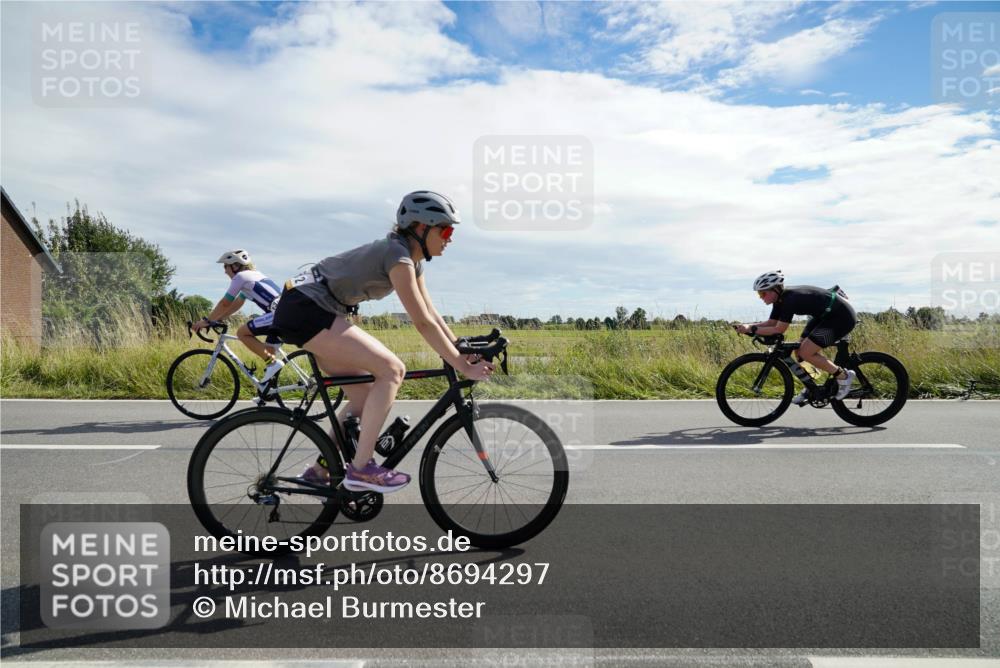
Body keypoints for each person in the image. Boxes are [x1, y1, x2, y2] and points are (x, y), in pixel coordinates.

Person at [272, 191, 493, 493]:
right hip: (307, 309)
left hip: (312, 309)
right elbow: (421, 322)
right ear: (420, 227)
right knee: (392, 369)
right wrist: (458, 364)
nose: (449, 238)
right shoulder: (397, 255)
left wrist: (461, 350)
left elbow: (432, 313)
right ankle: (361, 469)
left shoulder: (413, 262)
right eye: (445, 230)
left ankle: (318, 472)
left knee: (364, 395)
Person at [736, 270, 856, 404]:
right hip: (824, 316)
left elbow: (779, 329)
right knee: (799, 352)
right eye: (759, 294)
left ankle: (844, 376)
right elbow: (771, 323)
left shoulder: (789, 299)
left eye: (763, 293)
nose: (761, 297)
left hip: (841, 316)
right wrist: (748, 326)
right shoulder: (780, 300)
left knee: (806, 352)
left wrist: (752, 329)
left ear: (775, 290)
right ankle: (812, 387)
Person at [194, 250, 285, 382]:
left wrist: (207, 321)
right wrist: (220, 318)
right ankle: (268, 391)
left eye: (225, 266)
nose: (225, 271)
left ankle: (273, 364)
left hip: (278, 315)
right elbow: (238, 302)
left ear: (235, 266)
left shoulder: (241, 277)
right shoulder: (255, 275)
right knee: (269, 353)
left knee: (242, 333)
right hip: (285, 314)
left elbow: (225, 303)